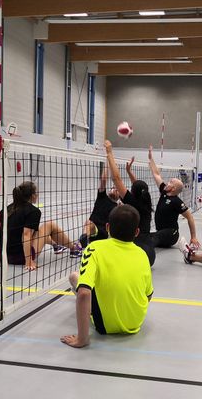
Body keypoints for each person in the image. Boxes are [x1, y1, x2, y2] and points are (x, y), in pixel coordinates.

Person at [61, 205, 153, 348]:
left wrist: (82, 339)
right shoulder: (142, 254)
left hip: (105, 325)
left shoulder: (95, 248)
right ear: (137, 232)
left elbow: (84, 293)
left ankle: (86, 330)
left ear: (108, 227)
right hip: (135, 323)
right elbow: (148, 296)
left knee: (74, 277)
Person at [0, 181, 79, 270]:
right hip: (19, 257)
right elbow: (26, 235)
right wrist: (29, 261)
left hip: (2, 255)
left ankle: (56, 245)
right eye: (36, 192)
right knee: (49, 225)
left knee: (36, 230)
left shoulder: (8, 208)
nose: (38, 195)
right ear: (32, 195)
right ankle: (74, 249)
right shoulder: (33, 211)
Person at [104, 140, 156, 266]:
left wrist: (110, 152)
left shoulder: (132, 202)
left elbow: (116, 179)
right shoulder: (146, 201)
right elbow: (137, 186)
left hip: (136, 252)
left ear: (133, 192)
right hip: (150, 254)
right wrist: (129, 172)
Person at [148, 145, 200, 249]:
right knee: (148, 236)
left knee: (154, 237)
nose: (167, 183)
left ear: (174, 188)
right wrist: (151, 158)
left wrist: (193, 237)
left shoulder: (176, 201)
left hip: (172, 234)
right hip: (161, 232)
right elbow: (156, 174)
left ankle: (145, 250)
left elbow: (190, 217)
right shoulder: (164, 192)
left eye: (170, 182)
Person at [78, 167, 119, 248]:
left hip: (102, 233)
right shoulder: (102, 196)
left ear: (119, 196)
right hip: (92, 229)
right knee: (88, 223)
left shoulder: (117, 208)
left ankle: (80, 246)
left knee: (88, 223)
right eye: (113, 188)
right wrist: (108, 162)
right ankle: (84, 240)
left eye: (117, 190)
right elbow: (103, 180)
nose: (114, 189)